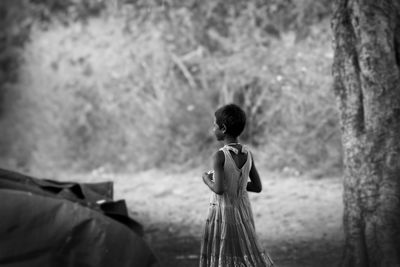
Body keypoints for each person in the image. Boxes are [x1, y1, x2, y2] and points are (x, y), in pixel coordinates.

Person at [200, 103, 275, 267]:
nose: (213, 129)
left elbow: (219, 190)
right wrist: (236, 183)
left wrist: (206, 179)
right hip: (243, 212)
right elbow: (257, 187)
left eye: (214, 125)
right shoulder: (248, 154)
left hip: (223, 213)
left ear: (223, 128)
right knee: (244, 250)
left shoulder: (219, 156)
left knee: (224, 252)